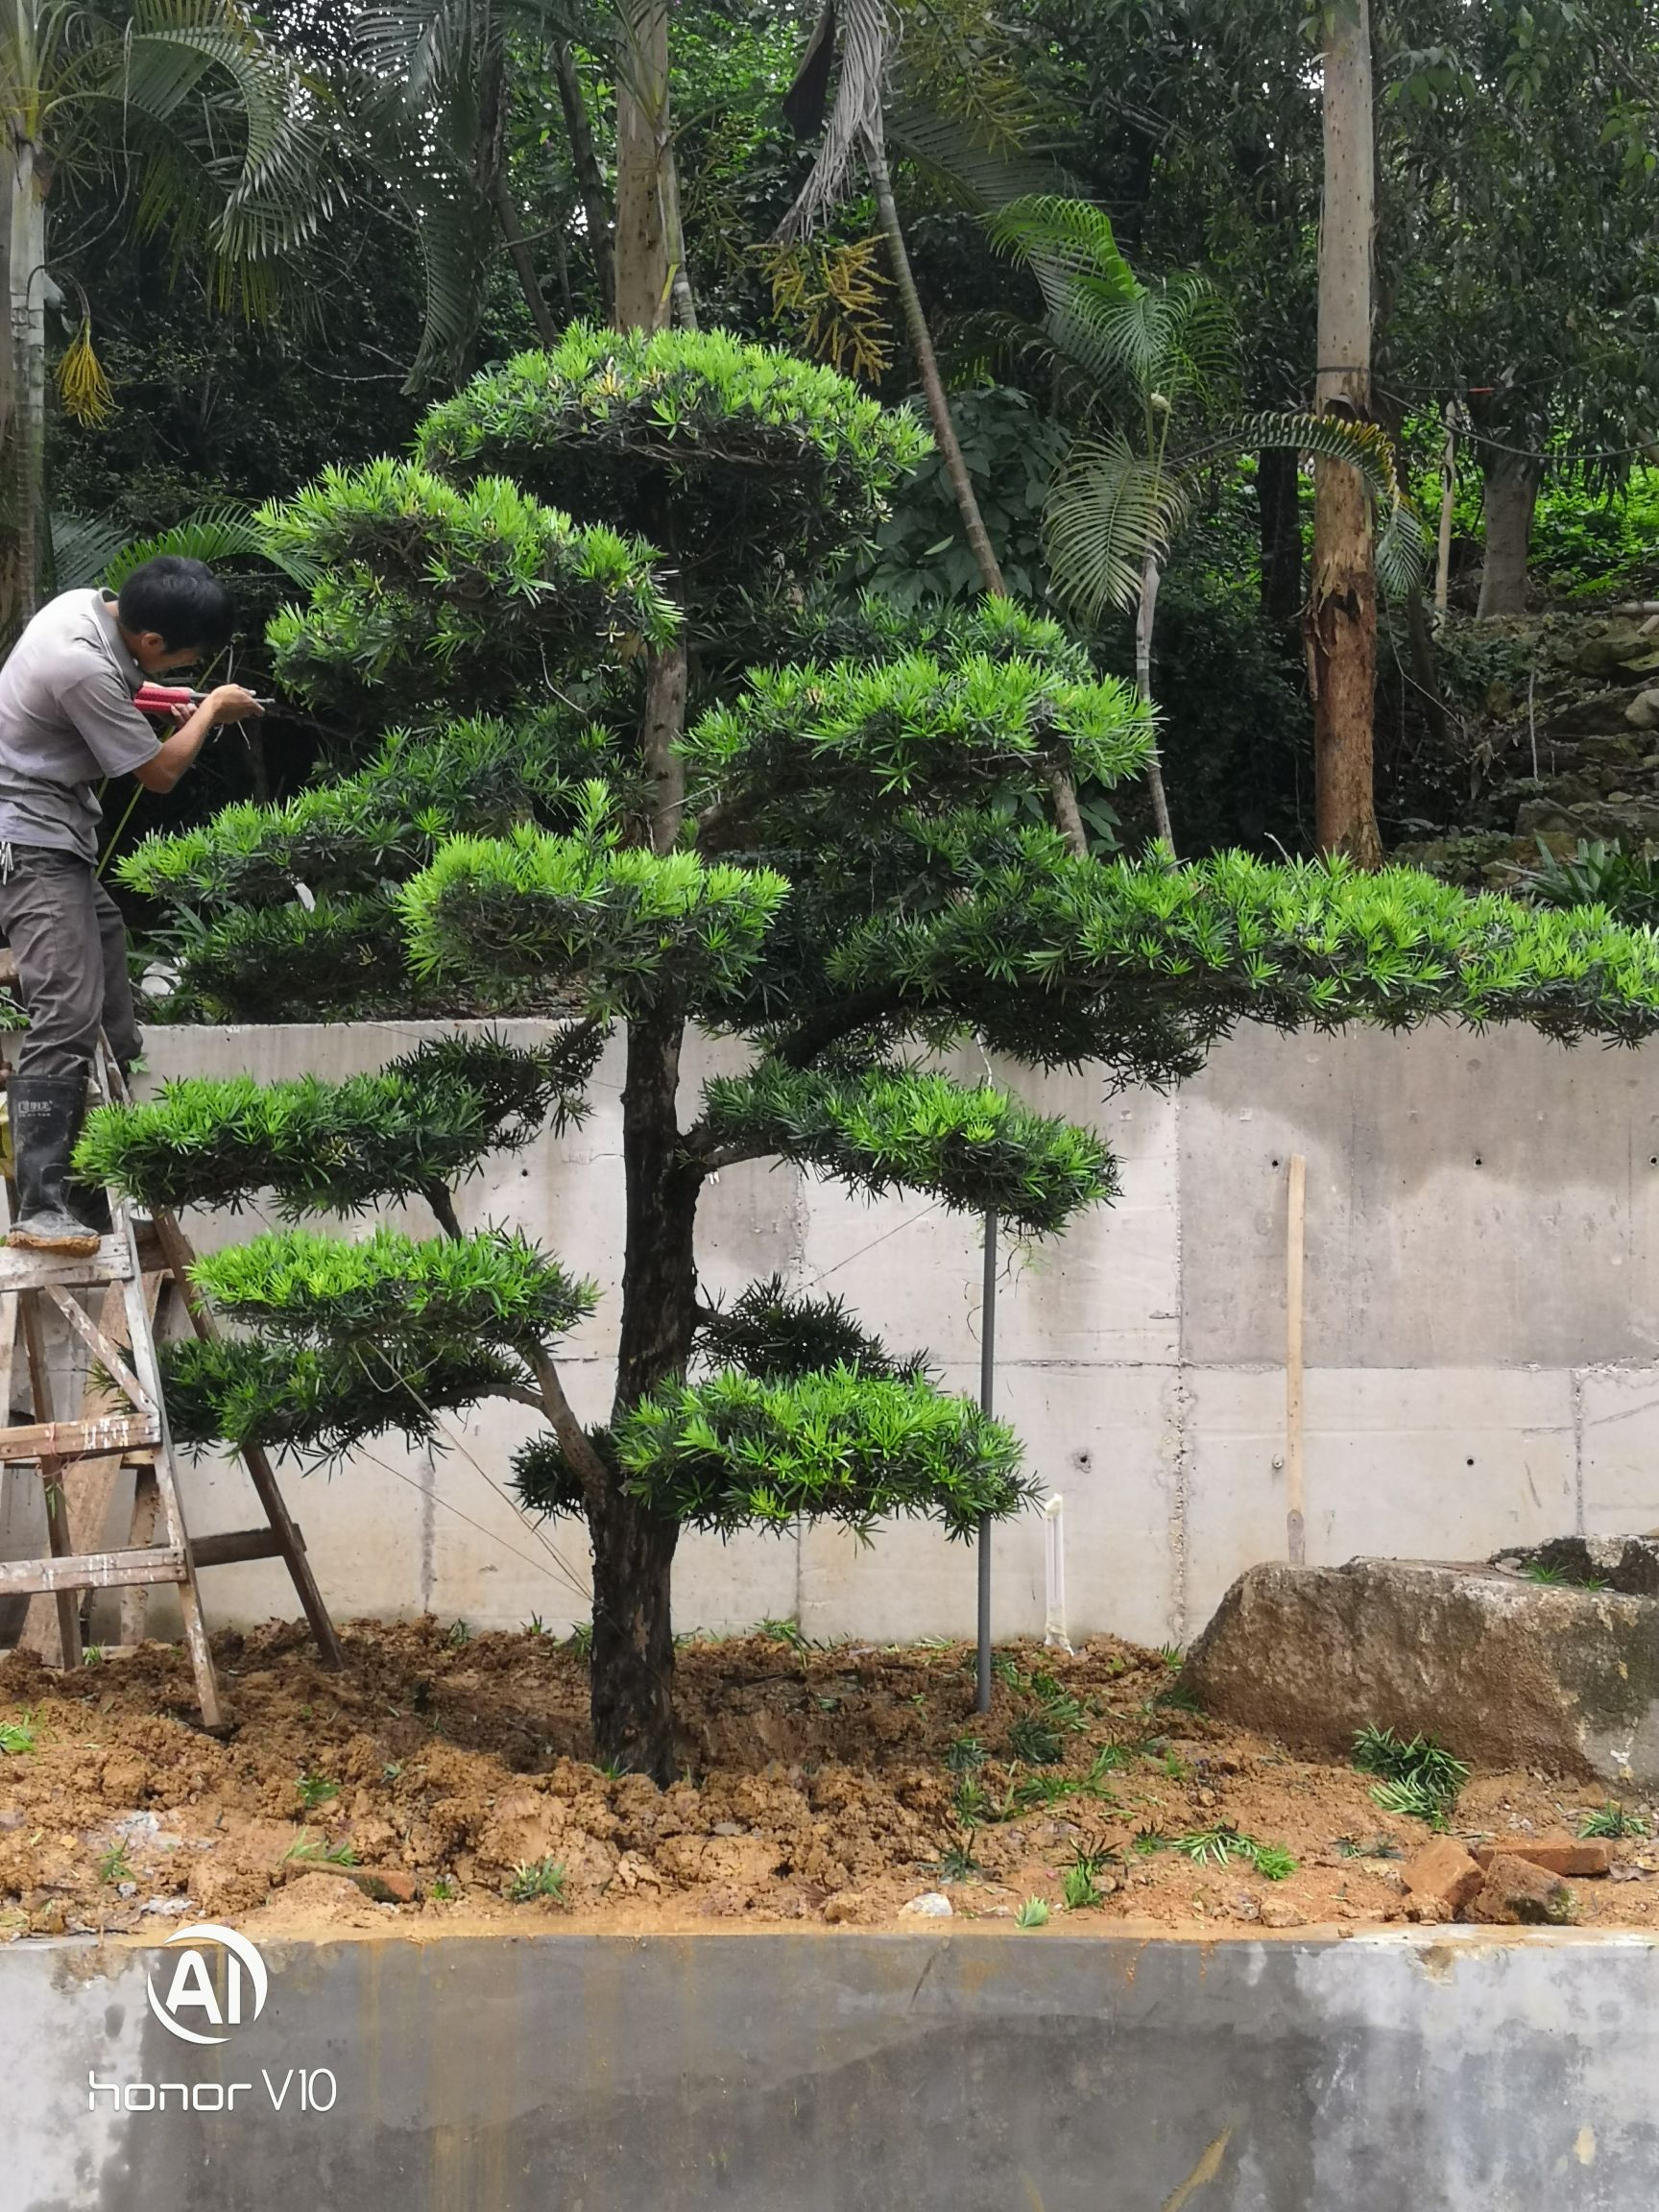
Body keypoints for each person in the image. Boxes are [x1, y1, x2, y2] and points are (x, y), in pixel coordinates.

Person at [0, 557, 263, 1255]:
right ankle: (41, 1205)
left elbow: (122, 689)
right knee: (66, 1009)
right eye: (187, 656)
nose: (191, 665)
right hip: (29, 843)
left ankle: (91, 1189)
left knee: (113, 1008)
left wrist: (161, 698)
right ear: (151, 639)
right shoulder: (80, 665)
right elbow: (160, 774)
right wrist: (207, 709)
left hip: (60, 837)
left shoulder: (87, 607)